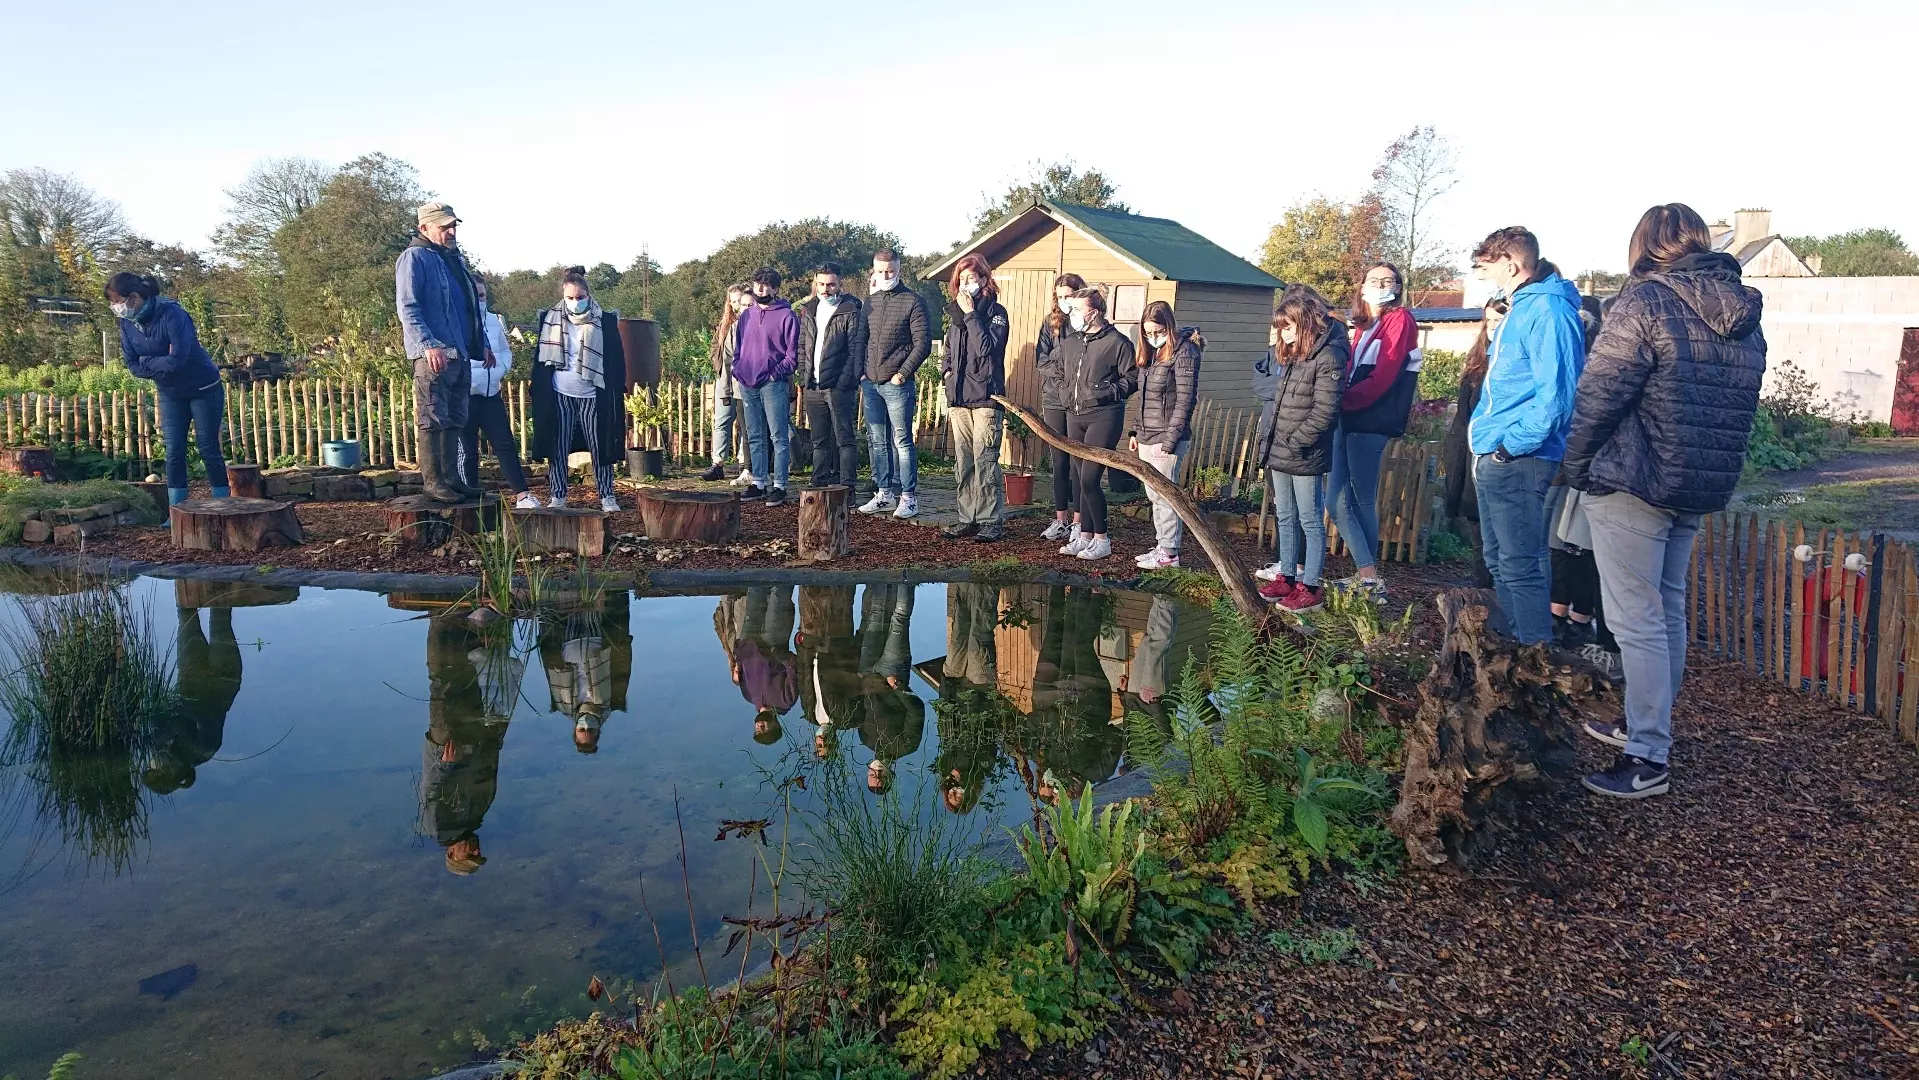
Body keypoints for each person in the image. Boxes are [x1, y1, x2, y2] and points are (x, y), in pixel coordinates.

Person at [1561, 203, 1766, 799]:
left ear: (1644, 245)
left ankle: (1648, 753)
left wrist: (1577, 467)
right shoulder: (1745, 314)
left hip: (1635, 477)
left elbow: (1600, 395)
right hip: (1695, 483)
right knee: (1666, 610)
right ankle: (1648, 728)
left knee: (1636, 621)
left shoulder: (1644, 302)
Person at [1468, 227, 1588, 645]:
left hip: (1520, 457)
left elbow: (1557, 397)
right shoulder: (1520, 308)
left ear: (1511, 264)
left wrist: (1508, 447)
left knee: (1522, 563)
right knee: (1499, 560)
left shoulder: (1550, 312)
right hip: (1495, 452)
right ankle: (1513, 658)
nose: (1480, 272)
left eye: (1486, 264)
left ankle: (1534, 658)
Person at [1329, 264, 1421, 600]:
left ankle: (1369, 579)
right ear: (1362, 286)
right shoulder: (1364, 326)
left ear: (1398, 287)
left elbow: (1384, 375)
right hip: (1348, 418)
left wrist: (1345, 402)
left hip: (1369, 420)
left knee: (1359, 499)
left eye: (1388, 281)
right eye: (1373, 280)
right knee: (1337, 499)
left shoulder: (1399, 320)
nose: (1381, 286)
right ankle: (1366, 574)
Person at [1254, 286, 1348, 613]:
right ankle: (1287, 576)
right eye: (1280, 327)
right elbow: (1279, 401)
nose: (1282, 333)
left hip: (1305, 453)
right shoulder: (1293, 354)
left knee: (1309, 519)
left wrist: (1295, 442)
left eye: (1287, 326)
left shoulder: (1330, 356)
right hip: (1280, 449)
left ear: (1305, 323)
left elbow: (1325, 412)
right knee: (1285, 516)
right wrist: (1275, 441)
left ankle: (1310, 586)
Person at [106, 273, 230, 507]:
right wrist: (153, 362)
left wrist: (147, 361)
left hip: (204, 387)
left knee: (208, 448)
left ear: (134, 297)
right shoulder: (127, 323)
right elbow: (132, 365)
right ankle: (177, 509)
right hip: (170, 392)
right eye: (112, 303)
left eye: (117, 301)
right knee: (173, 450)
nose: (115, 307)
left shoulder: (173, 314)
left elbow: (177, 361)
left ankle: (223, 505)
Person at [395, 201, 483, 503]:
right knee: (432, 417)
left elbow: (468, 309)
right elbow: (408, 307)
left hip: (459, 351)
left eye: (453, 225)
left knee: (456, 417)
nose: (451, 231)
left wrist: (479, 341)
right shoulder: (414, 258)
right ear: (424, 228)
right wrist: (427, 344)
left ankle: (451, 478)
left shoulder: (452, 260)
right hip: (434, 353)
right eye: (444, 226)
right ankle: (432, 481)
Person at [531, 267, 629, 512]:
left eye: (580, 297)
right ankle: (558, 495)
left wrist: (617, 389)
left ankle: (607, 495)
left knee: (600, 446)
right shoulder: (550, 319)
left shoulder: (605, 320)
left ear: (588, 295)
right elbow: (540, 362)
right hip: (560, 392)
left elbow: (617, 359)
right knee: (559, 446)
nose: (575, 302)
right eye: (570, 298)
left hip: (593, 393)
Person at [1055, 288, 1138, 561]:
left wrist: (1105, 392)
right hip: (1074, 415)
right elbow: (1059, 371)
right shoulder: (1071, 341)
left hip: (1104, 416)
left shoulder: (1117, 342)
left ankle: (1103, 539)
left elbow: (1132, 379)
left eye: (1078, 309)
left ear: (1095, 312)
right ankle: (1085, 536)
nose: (1073, 314)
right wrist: (1063, 392)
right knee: (1079, 479)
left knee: (1091, 478)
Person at [420, 619, 509, 874]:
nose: (476, 851)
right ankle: (463, 622)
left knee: (443, 683)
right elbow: (489, 774)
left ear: (451, 853)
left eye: (469, 855)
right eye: (477, 855)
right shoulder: (477, 818)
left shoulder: (440, 829)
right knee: (470, 680)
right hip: (475, 741)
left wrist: (446, 766)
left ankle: (442, 620)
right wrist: (494, 739)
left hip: (445, 747)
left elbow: (431, 791)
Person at [939, 254, 1011, 542]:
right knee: (964, 461)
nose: (967, 284)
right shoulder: (954, 316)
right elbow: (947, 350)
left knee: (985, 460)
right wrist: (946, 373)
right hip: (959, 397)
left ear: (984, 279)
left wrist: (971, 315)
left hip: (985, 397)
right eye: (962, 279)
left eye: (972, 278)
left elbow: (986, 349)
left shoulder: (996, 312)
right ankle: (967, 517)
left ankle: (990, 519)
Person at [1437, 299, 1508, 590]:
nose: (1492, 328)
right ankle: (1481, 582)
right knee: (1476, 522)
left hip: (1496, 452)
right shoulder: (1478, 360)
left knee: (1498, 529)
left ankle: (1494, 587)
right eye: (1488, 321)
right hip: (1468, 449)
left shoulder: (1510, 362)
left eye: (1498, 321)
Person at [1129, 301, 1202, 569]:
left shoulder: (1185, 352)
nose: (1152, 337)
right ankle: (1162, 545)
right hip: (1148, 434)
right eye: (1147, 333)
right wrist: (1136, 430)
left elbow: (1185, 401)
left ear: (1168, 327)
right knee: (1153, 494)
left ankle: (1170, 553)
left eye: (1157, 331)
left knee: (1166, 495)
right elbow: (1145, 397)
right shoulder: (1150, 354)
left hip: (1168, 436)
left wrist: (1170, 441)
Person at [859, 249, 931, 518]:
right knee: (877, 441)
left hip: (897, 383)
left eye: (890, 270)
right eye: (880, 271)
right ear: (873, 270)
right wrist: (861, 373)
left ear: (898, 269)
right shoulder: (871, 302)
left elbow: (922, 343)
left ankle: (908, 497)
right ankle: (884, 494)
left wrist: (902, 373)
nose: (885, 275)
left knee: (901, 440)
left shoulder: (913, 301)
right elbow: (860, 340)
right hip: (871, 383)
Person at [460, 276, 541, 509]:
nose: (479, 300)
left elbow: (505, 351)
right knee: (467, 450)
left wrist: (499, 371)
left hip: (491, 393)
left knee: (504, 443)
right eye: (475, 295)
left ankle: (523, 495)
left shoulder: (494, 321)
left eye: (483, 295)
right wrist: (470, 377)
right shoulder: (456, 321)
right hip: (466, 395)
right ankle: (470, 496)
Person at [143, 605, 241, 793]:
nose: (156, 763)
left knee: (186, 612)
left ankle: (189, 578)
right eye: (161, 769)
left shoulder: (161, 743)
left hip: (190, 678)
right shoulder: (204, 750)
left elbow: (157, 712)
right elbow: (204, 715)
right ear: (177, 772)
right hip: (223, 680)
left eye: (151, 766)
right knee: (220, 614)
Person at [797, 265, 866, 490]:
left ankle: (847, 489)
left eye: (831, 284)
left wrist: (845, 380)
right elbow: (802, 345)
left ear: (840, 284)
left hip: (838, 386)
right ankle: (818, 486)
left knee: (844, 440)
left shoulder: (850, 309)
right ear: (815, 283)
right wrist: (803, 376)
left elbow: (855, 348)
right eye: (821, 284)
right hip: (813, 385)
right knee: (819, 441)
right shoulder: (808, 309)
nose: (826, 289)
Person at [734, 267, 799, 506]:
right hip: (747, 383)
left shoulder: (787, 316)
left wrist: (774, 375)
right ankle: (758, 482)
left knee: (778, 436)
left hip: (773, 385)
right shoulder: (746, 315)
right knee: (754, 435)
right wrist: (737, 369)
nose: (761, 288)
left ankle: (780, 485)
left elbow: (792, 356)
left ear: (775, 288)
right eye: (758, 283)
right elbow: (738, 347)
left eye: (767, 284)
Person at [539, 594, 633, 754]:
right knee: (589, 596)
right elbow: (622, 666)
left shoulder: (564, 705)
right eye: (591, 731)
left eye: (582, 730)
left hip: (567, 639)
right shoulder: (611, 702)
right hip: (596, 635)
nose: (587, 726)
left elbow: (552, 672)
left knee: (564, 597)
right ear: (598, 731)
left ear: (575, 730)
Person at [1036, 273, 1087, 542]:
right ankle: (1060, 519)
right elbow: (1041, 360)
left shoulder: (1086, 324)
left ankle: (1079, 521)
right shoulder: (1050, 324)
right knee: (1059, 461)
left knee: (1078, 459)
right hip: (1054, 396)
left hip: (1078, 399)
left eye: (1069, 295)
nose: (1064, 301)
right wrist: (1060, 371)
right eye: (1060, 296)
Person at [730, 586, 799, 744]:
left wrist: (738, 657)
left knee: (755, 591)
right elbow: (794, 669)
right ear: (776, 725)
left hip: (748, 640)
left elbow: (741, 670)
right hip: (773, 640)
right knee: (779, 594)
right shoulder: (786, 701)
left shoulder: (749, 697)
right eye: (764, 729)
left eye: (757, 730)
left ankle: (760, 562)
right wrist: (777, 654)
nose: (759, 726)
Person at [700, 284, 753, 483]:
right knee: (721, 422)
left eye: (739, 300)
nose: (736, 304)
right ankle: (717, 463)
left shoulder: (749, 324)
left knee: (744, 425)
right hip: (725, 380)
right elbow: (716, 348)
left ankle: (743, 463)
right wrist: (718, 365)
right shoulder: (724, 326)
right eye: (732, 301)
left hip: (742, 382)